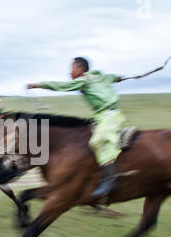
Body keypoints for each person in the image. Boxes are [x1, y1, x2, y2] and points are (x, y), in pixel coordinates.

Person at [27, 57, 125, 197]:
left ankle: (110, 181)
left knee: (98, 140)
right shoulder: (101, 76)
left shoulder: (83, 81)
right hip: (101, 116)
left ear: (81, 69)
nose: (70, 73)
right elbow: (113, 78)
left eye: (72, 69)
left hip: (109, 116)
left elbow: (62, 86)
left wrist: (39, 85)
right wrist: (119, 78)